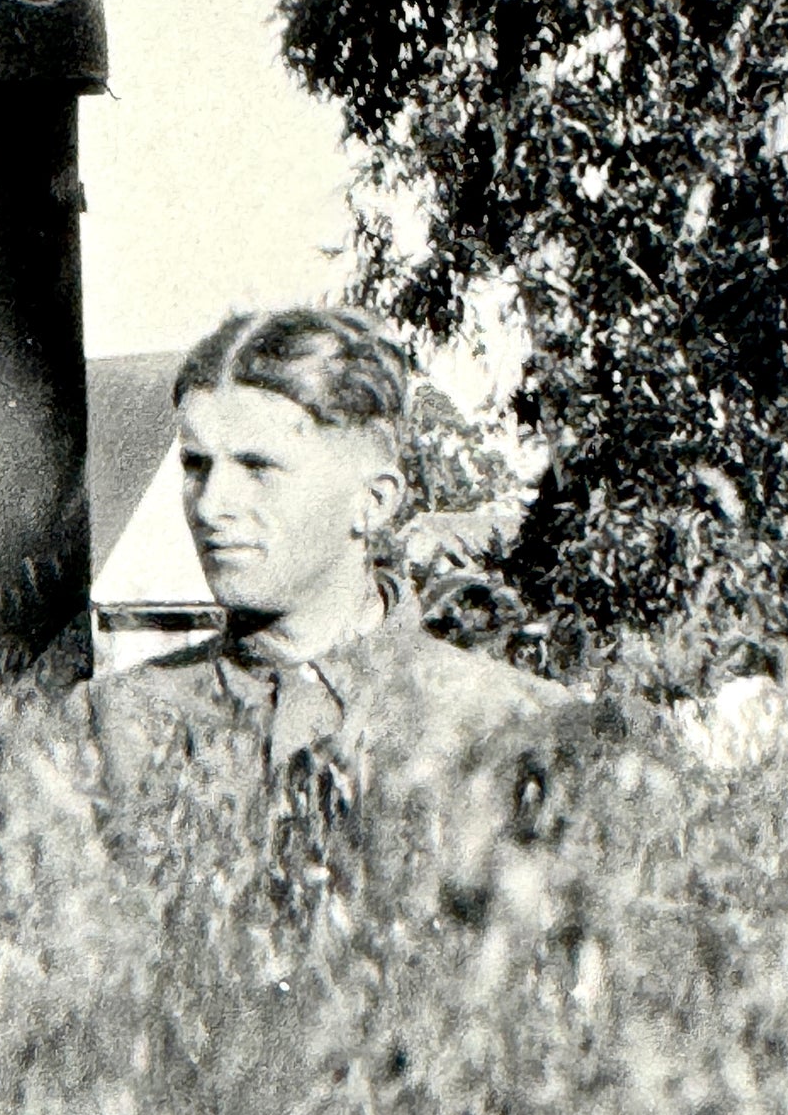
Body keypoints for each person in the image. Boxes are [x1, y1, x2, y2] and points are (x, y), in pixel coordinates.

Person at [82, 307, 574, 925]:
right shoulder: (106, 728)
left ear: (373, 501)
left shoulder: (520, 734)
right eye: (196, 465)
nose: (211, 505)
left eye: (258, 467)